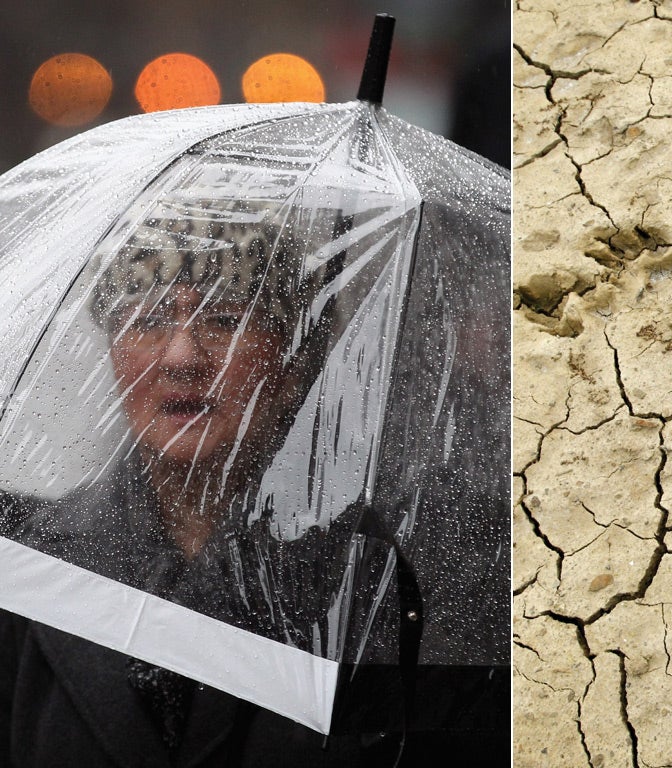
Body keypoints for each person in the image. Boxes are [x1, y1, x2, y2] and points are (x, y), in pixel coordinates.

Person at [0, 200, 508, 766]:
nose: (182, 357)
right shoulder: (31, 564)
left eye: (224, 320)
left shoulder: (387, 571)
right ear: (113, 351)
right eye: (147, 319)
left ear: (295, 356)